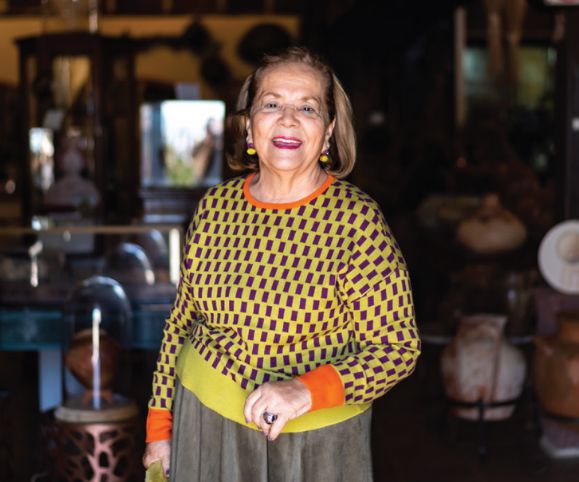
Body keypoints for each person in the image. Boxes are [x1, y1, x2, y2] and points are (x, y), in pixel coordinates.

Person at [143, 46, 421, 481]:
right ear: (249, 126)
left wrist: (304, 390)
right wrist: (160, 428)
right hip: (204, 420)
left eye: (307, 108)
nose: (288, 119)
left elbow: (397, 349)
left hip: (317, 444)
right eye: (271, 104)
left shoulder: (356, 221)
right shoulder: (216, 207)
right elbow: (181, 323)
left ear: (328, 132)